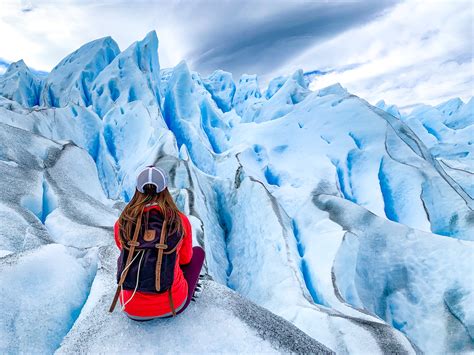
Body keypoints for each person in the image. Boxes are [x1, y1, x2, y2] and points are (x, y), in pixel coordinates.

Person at [109, 165, 205, 321]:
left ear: (138, 190)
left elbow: (124, 251)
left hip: (132, 309)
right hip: (173, 305)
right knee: (198, 253)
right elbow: (185, 259)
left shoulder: (122, 222)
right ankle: (187, 290)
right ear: (165, 190)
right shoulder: (179, 220)